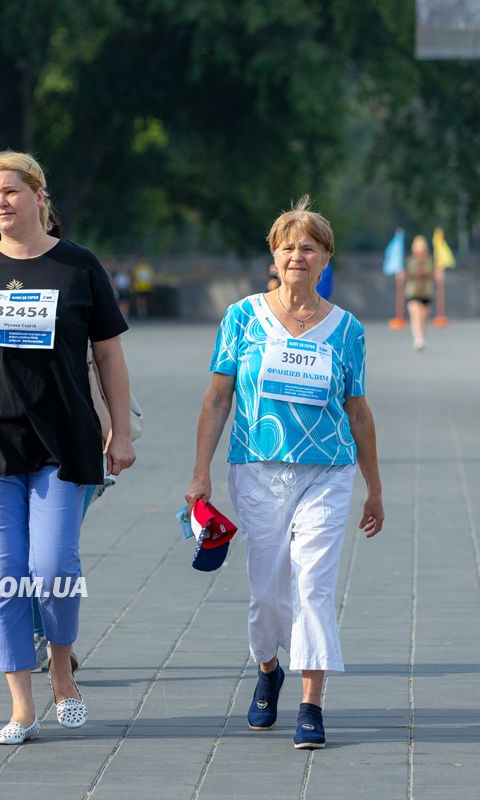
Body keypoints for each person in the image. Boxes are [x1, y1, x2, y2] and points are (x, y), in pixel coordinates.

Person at [0, 151, 134, 745]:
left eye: (11, 191)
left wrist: (123, 428)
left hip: (65, 440)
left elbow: (109, 353)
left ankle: (62, 672)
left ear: (39, 195)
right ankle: (20, 706)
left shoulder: (79, 267)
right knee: (6, 575)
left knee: (53, 566)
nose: (0, 203)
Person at [185, 196, 384, 750]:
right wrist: (199, 472)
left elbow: (359, 412)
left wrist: (376, 488)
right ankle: (268, 668)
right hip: (257, 470)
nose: (298, 255)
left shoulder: (347, 331)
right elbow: (217, 397)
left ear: (325, 260)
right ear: (274, 255)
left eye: (310, 248)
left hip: (327, 470)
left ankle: (311, 703)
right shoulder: (243, 317)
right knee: (269, 593)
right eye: (288, 246)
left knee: (314, 586)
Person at [402, 236, 435, 351]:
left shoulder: (429, 261)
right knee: (415, 314)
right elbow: (408, 274)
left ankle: (421, 336)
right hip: (413, 292)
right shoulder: (411, 261)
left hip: (426, 292)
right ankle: (418, 338)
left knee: (423, 316)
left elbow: (432, 275)